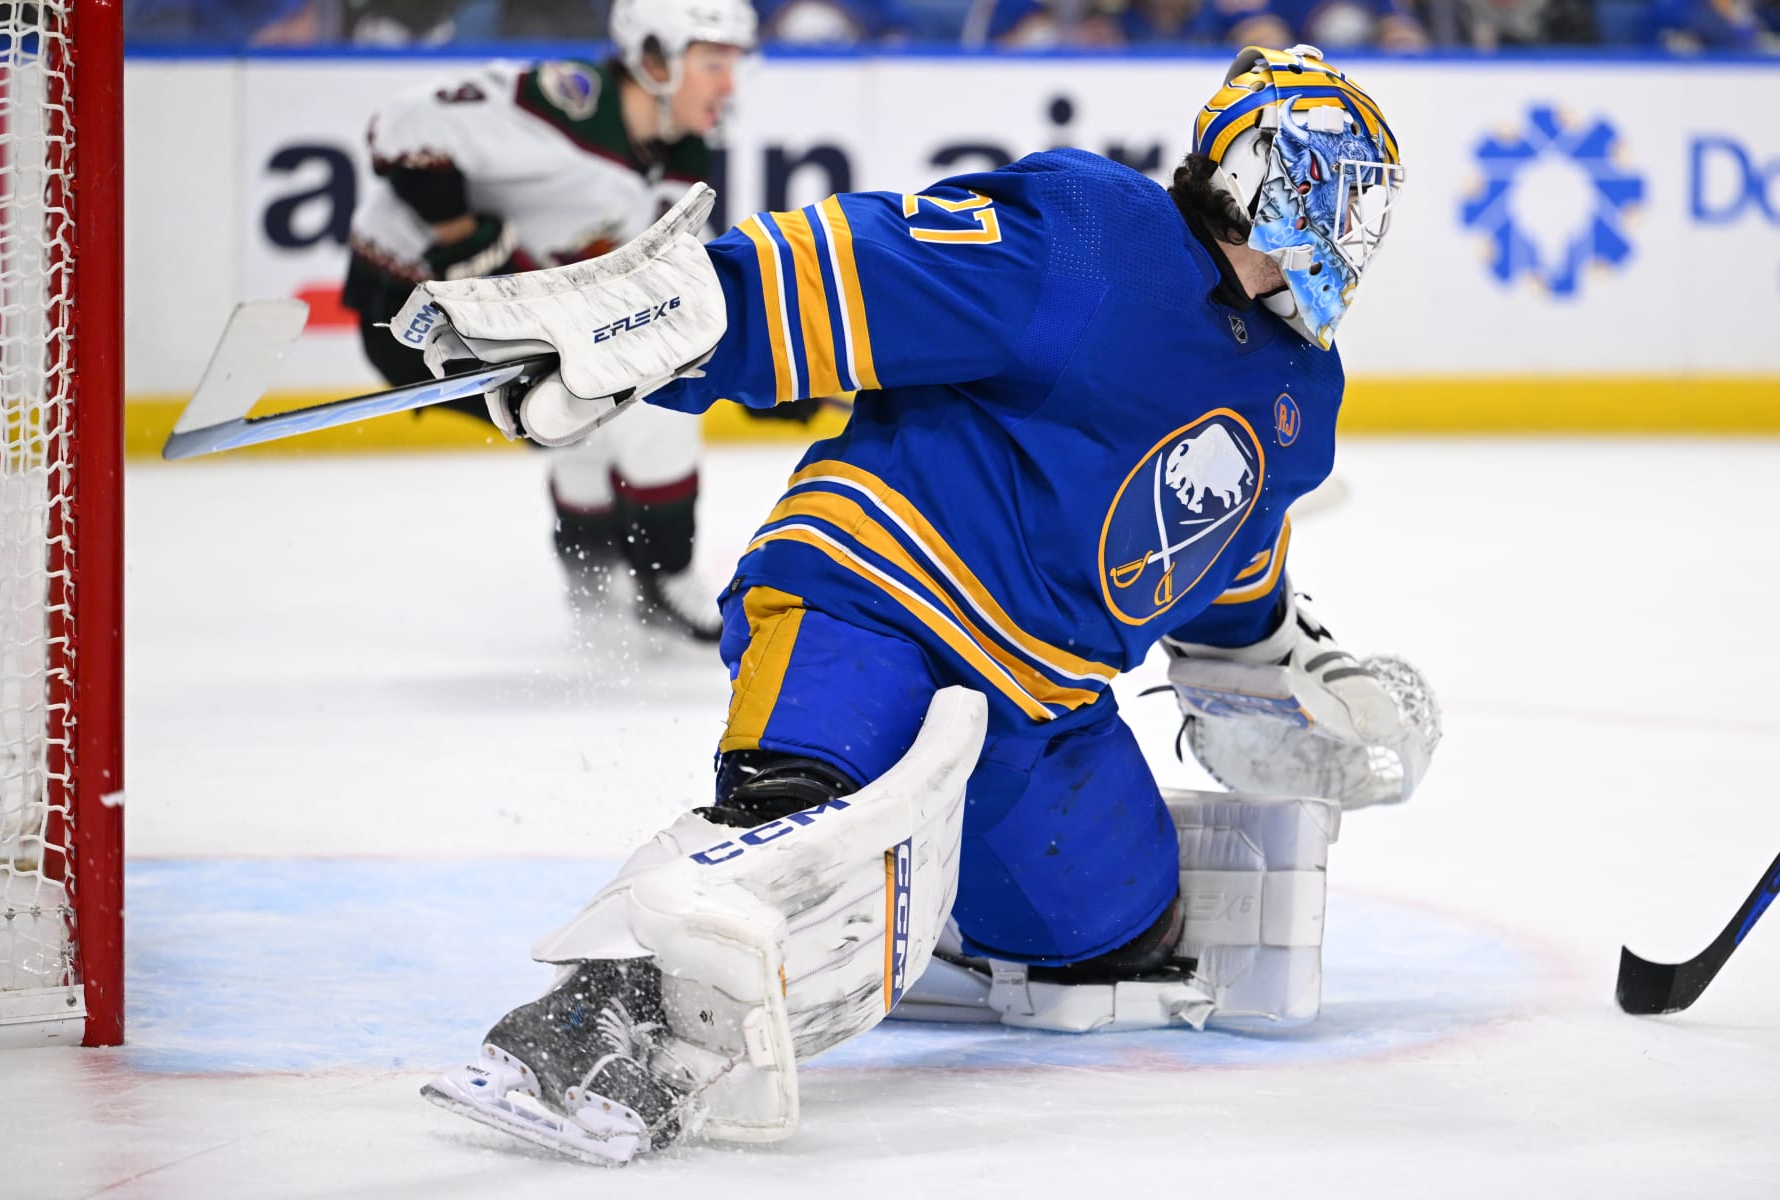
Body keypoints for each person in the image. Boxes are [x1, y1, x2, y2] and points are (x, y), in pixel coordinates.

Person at [398, 44, 1439, 1163]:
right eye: (1345, 190)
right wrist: (647, 319)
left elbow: (1226, 564)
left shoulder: (1298, 394)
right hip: (877, 595)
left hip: (1042, 703)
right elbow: (866, 269)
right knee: (796, 833)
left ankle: (921, 901)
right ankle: (590, 1027)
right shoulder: (1097, 234)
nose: (1356, 228)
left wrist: (1282, 668)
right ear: (1268, 176)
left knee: (1112, 927)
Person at [339, 0, 757, 643]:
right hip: (407, 313)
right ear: (652, 59)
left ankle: (588, 557)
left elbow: (652, 278)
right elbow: (398, 127)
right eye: (713, 63)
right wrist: (461, 237)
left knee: (607, 379)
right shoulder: (569, 108)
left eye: (733, 64)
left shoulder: (683, 155)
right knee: (642, 397)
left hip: (497, 317)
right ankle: (666, 573)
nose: (729, 84)